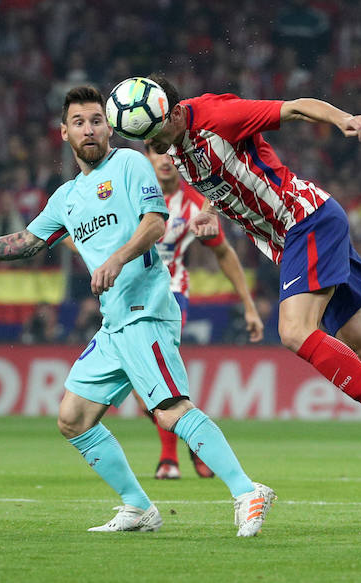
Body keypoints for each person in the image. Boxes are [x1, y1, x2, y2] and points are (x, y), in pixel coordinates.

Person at [0, 86, 275, 536]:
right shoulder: (67, 197)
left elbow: (155, 222)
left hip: (145, 309)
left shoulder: (130, 164)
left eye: (95, 120)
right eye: (79, 122)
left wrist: (117, 259)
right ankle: (138, 508)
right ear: (64, 133)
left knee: (170, 410)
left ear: (109, 126)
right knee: (72, 419)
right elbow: (23, 244)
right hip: (115, 322)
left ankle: (248, 491)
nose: (88, 129)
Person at [141, 75, 361, 525]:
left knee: (295, 331)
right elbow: (225, 180)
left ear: (174, 112)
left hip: (305, 221)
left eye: (156, 133)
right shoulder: (175, 146)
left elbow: (295, 106)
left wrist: (344, 119)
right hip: (295, 236)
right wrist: (206, 210)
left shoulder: (217, 115)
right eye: (146, 140)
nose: (155, 146)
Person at [143, 143, 265, 480]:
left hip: (171, 295)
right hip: (129, 297)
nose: (165, 161)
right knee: (146, 390)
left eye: (170, 154)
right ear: (147, 155)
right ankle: (197, 445)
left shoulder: (196, 204)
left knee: (156, 378)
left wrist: (249, 306)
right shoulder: (130, 192)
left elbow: (224, 253)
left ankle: (168, 460)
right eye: (157, 153)